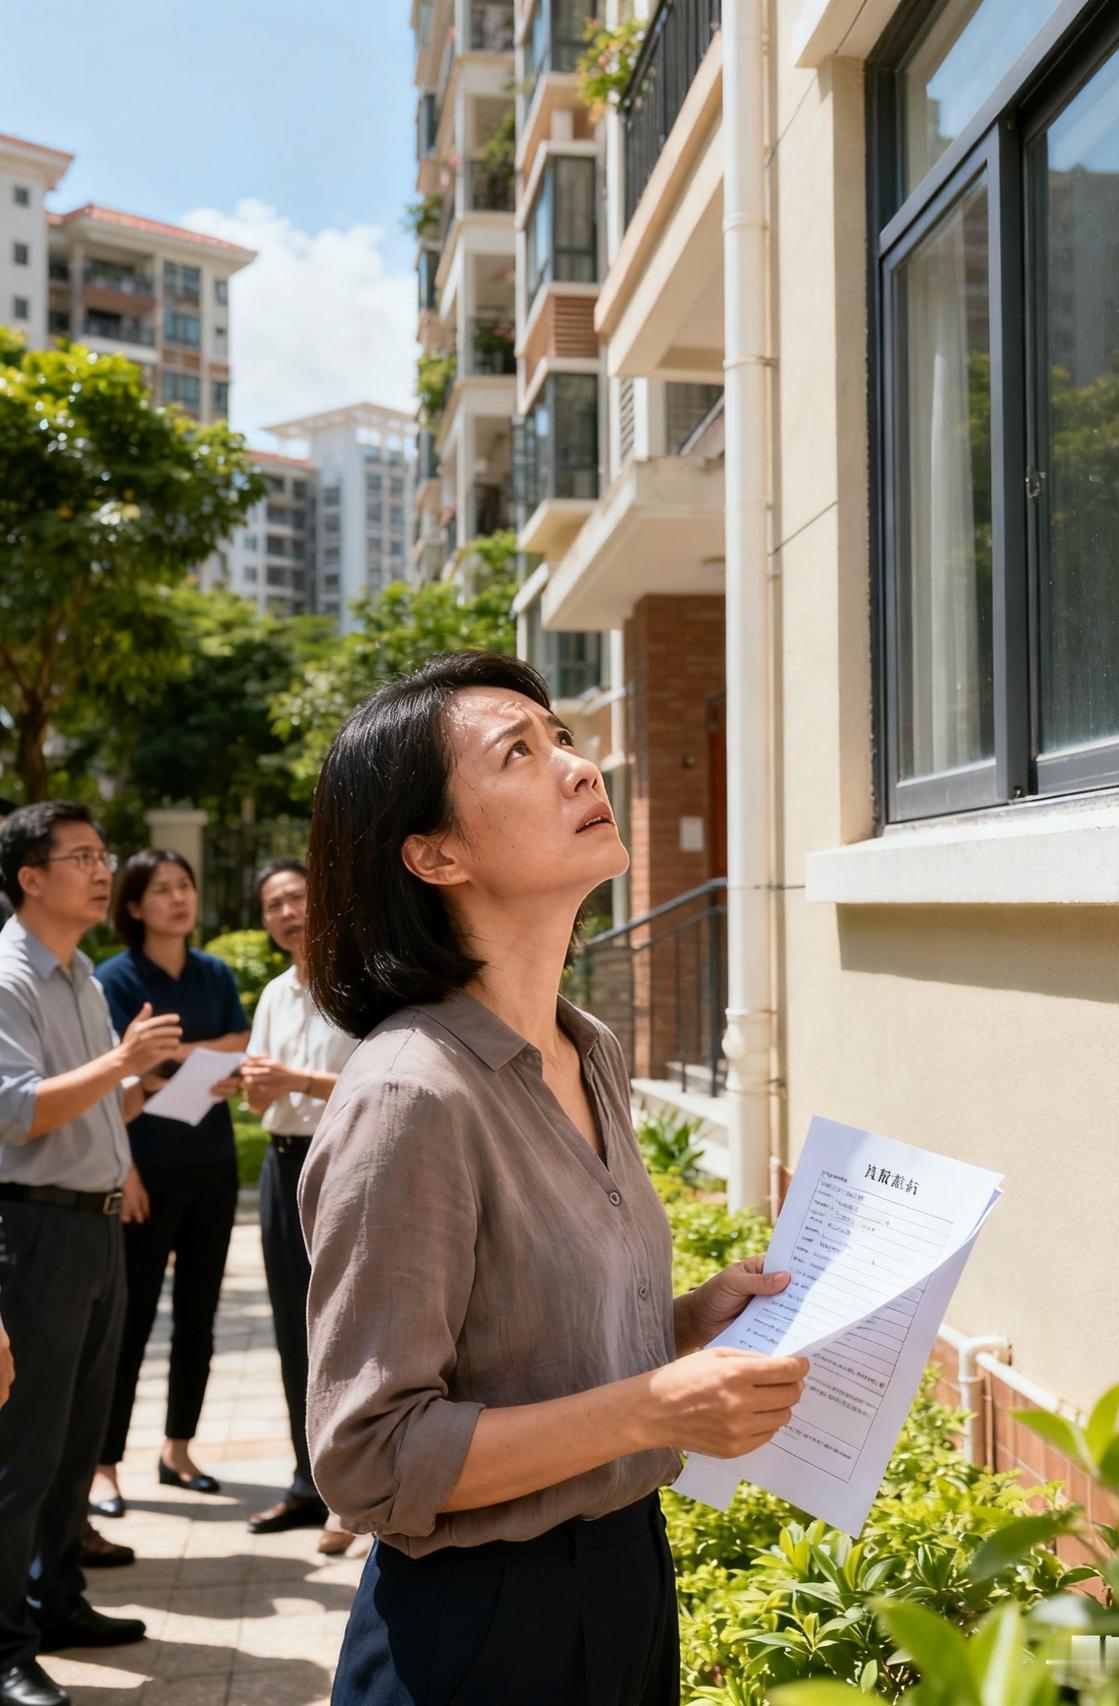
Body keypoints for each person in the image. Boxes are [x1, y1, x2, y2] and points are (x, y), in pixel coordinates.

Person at [298, 653, 809, 1706]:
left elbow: (531, 1357)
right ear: (434, 853)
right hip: (481, 1630)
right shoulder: (411, 1093)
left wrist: (679, 1328)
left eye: (562, 736)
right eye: (518, 752)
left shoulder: (593, 1050)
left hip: (625, 1579)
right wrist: (652, 1404)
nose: (578, 767)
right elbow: (371, 1458)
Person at [0, 803, 183, 1706]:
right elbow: (21, 1110)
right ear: (31, 877)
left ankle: (58, 1599)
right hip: (32, 1229)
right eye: (82, 856)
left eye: (103, 854)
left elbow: (99, 1105)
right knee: (23, 1448)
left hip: (95, 1223)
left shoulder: (78, 973)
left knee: (78, 1437)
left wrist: (143, 1081)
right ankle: (3, 1649)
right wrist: (121, 1065)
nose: (102, 869)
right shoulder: (8, 974)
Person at [89, 851, 249, 1520]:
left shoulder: (213, 972)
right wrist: (123, 1170)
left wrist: (172, 1058)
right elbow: (112, 1077)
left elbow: (240, 1039)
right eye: (163, 890)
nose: (179, 899)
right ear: (134, 905)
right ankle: (104, 1466)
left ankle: (178, 1451)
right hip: (143, 1169)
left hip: (211, 1162)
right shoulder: (114, 978)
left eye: (185, 885)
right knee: (127, 1324)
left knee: (199, 1318)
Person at [215, 860, 356, 1549]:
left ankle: (352, 1492)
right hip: (280, 1166)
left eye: (297, 897)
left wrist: (294, 1078)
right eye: (273, 904)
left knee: (345, 1324)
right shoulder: (273, 991)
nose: (287, 912)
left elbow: (376, 1078)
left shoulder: (358, 977)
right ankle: (308, 1481)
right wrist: (255, 1088)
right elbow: (261, 1091)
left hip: (341, 1166)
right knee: (288, 1321)